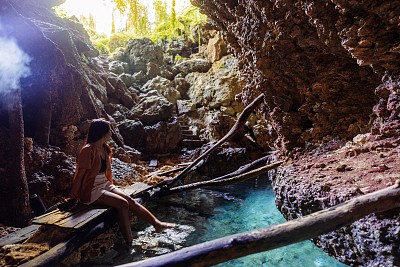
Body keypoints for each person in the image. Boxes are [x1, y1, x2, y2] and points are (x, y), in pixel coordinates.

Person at [69, 118, 175, 245]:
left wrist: (109, 184)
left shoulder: (105, 148)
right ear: (102, 133)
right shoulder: (88, 150)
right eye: (109, 131)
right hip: (91, 189)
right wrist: (74, 196)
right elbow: (80, 175)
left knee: (130, 200)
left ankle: (157, 224)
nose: (111, 133)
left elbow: (105, 173)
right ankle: (129, 243)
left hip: (105, 184)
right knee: (123, 204)